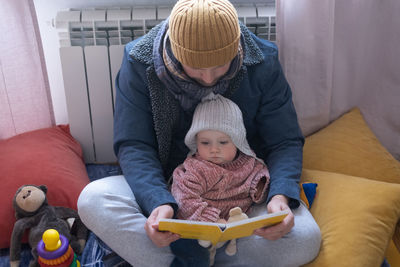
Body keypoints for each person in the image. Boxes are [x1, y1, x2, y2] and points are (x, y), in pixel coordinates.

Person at [77, 0, 322, 266]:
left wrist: (279, 196)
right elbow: (135, 144)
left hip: (245, 192)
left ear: (236, 48)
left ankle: (191, 258)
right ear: (175, 51)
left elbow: (284, 140)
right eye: (197, 69)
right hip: (171, 188)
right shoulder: (139, 61)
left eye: (220, 67)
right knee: (93, 200)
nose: (208, 79)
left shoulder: (262, 59)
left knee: (305, 239)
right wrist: (158, 203)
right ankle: (217, 254)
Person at [170, 93, 270, 265]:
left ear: (238, 141)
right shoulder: (197, 167)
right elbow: (184, 197)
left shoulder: (248, 162)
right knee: (190, 253)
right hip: (202, 224)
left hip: (236, 222)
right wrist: (211, 220)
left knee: (273, 237)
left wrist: (258, 186)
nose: (214, 150)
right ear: (196, 142)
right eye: (205, 143)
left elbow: (260, 173)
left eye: (223, 142)